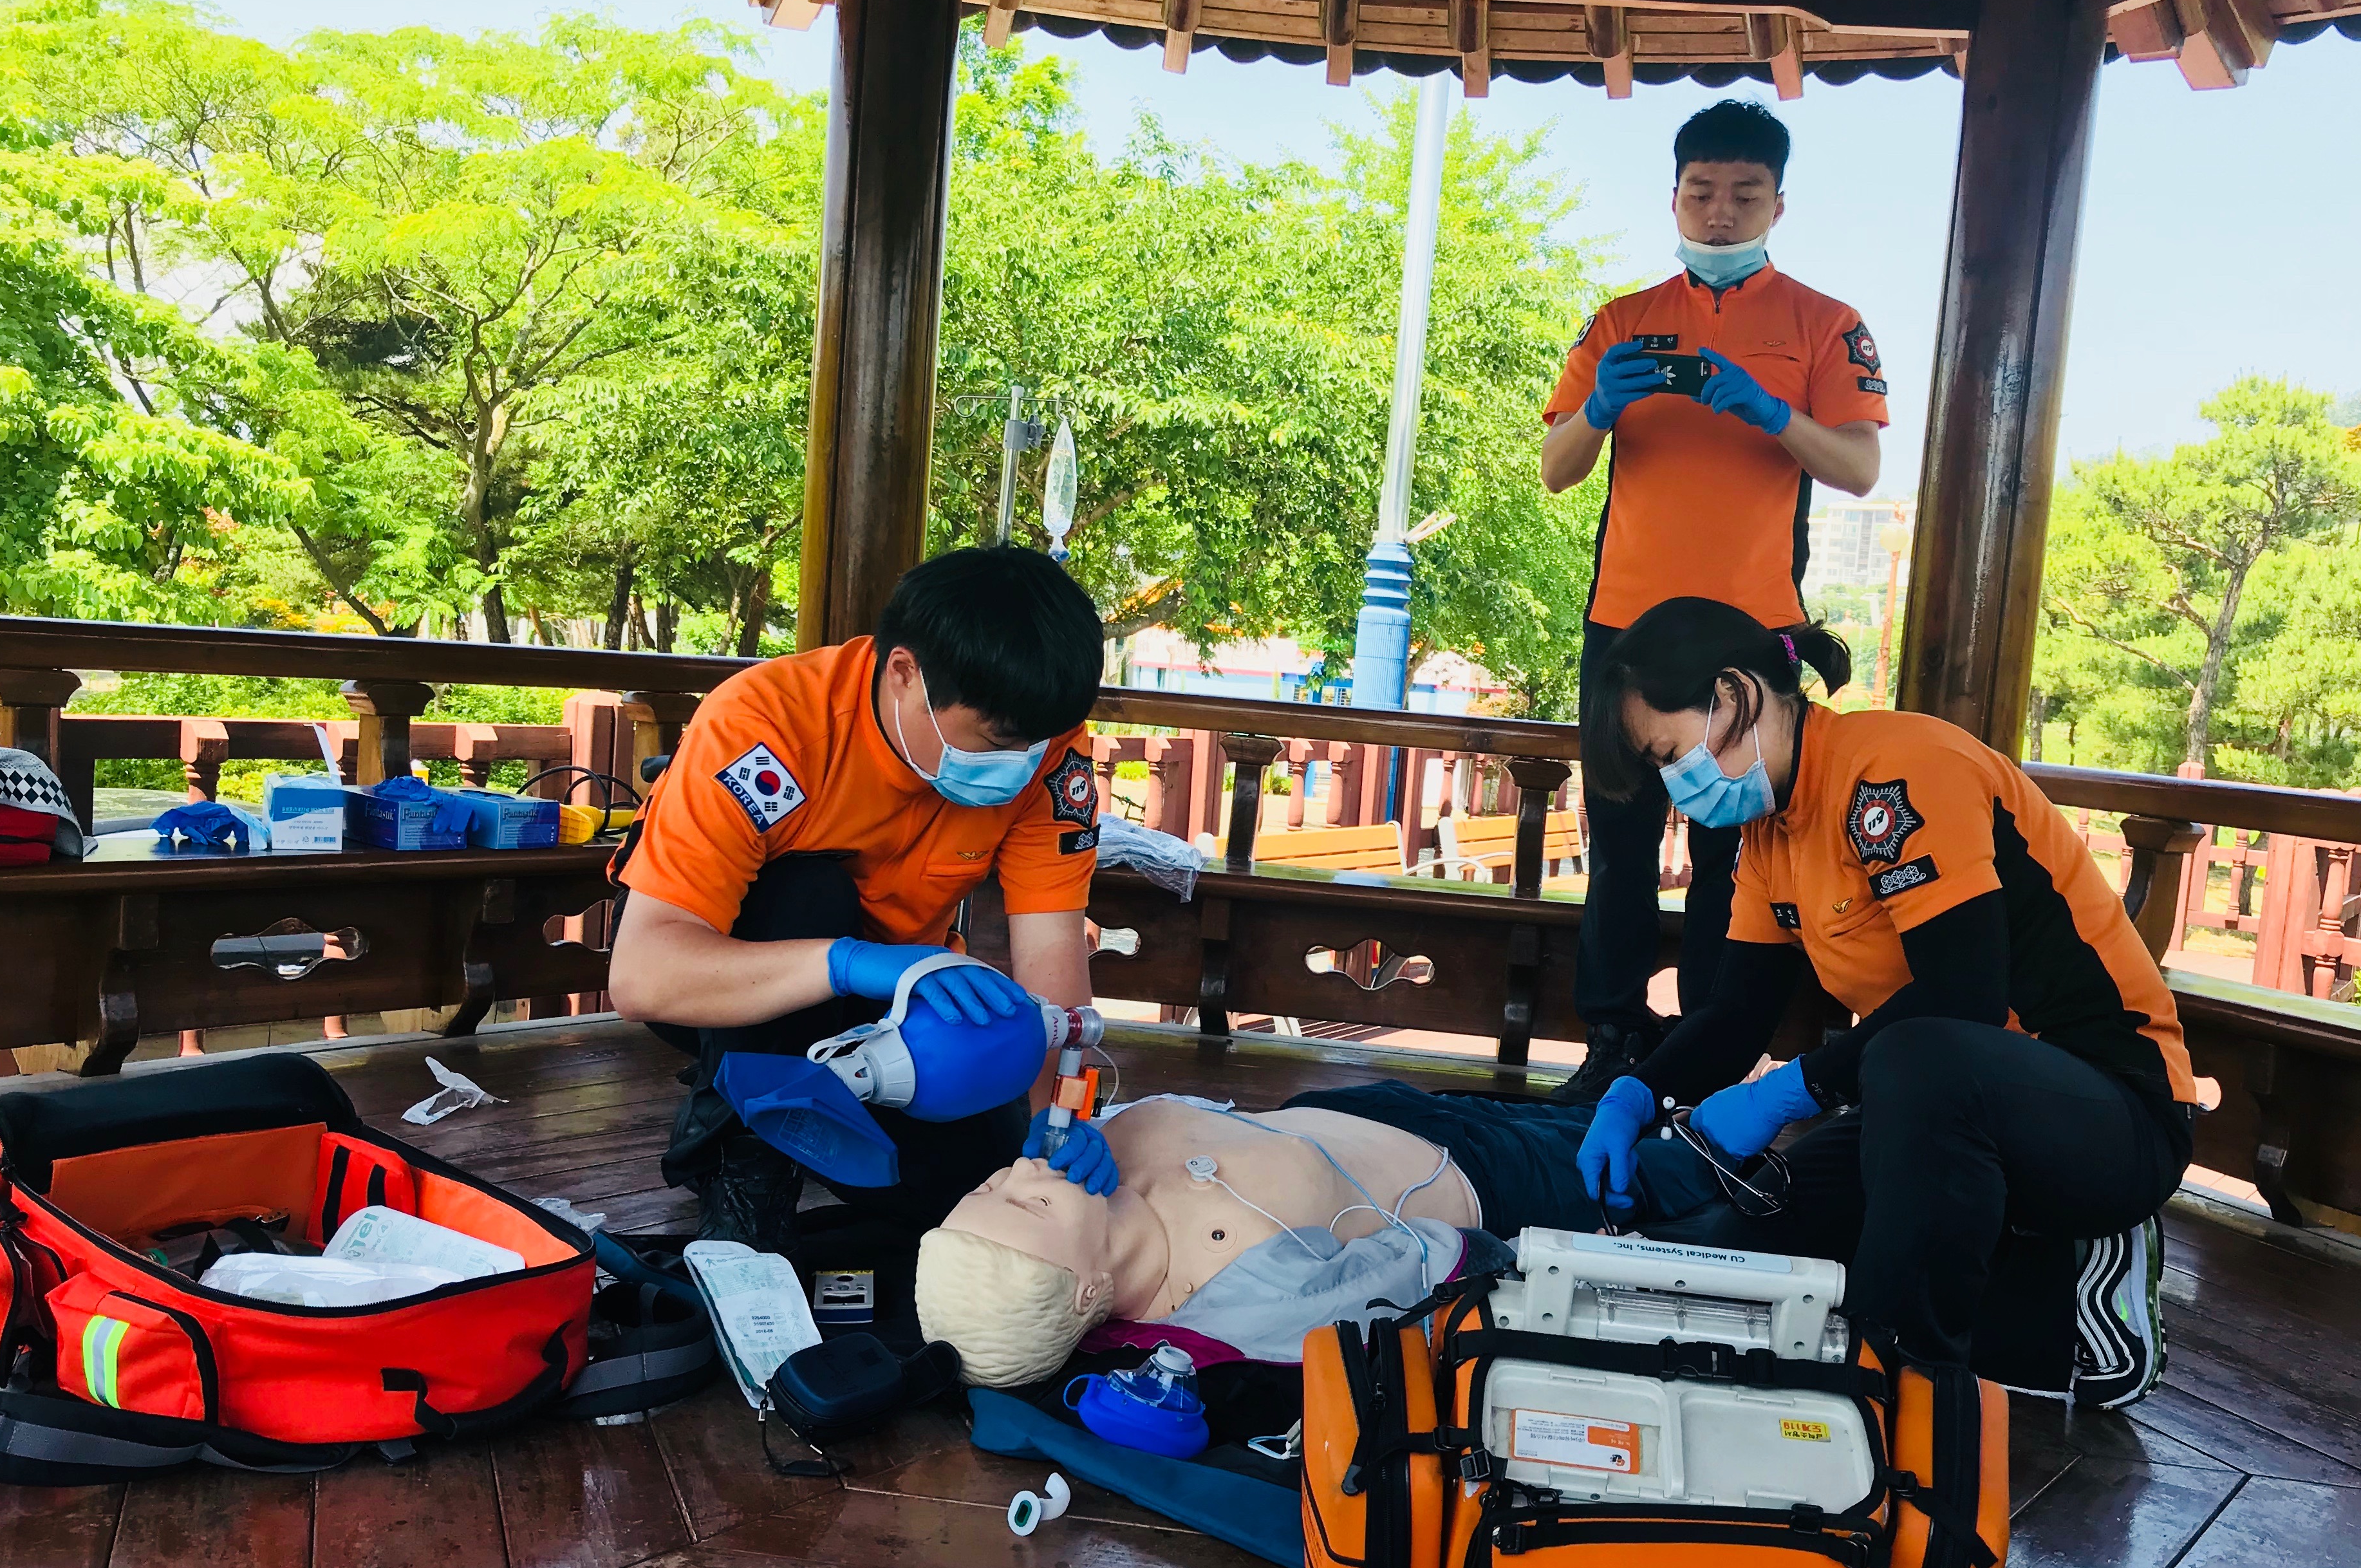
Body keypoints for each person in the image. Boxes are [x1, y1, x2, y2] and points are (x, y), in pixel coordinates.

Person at [1570, 597, 2198, 1406]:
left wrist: (1788, 1091)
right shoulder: (1766, 834)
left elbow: (1963, 994)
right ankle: (2061, 1294)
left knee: (1914, 1059)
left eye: (1669, 754)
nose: (1674, 785)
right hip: (1942, 1110)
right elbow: (1736, 1015)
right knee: (1762, 1236)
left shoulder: (1897, 769)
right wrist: (1635, 1095)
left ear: (1733, 694)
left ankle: (1906, 1394)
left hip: (2113, 1110)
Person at [604, 545, 1121, 1252]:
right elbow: (644, 978)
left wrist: (1066, 1121)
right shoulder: (765, 727)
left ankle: (799, 1093)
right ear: (905, 672)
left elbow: (1053, 959)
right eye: (997, 740)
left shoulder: (1047, 750)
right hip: (732, 980)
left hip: (903, 1003)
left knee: (976, 1192)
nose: (1022, 762)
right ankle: (744, 1164)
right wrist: (850, 963)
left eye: (1038, 742)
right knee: (806, 889)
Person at [1540, 101, 1890, 1103]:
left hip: (1754, 631)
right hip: (1626, 625)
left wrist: (1773, 411)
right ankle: (1612, 1040)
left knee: (1734, 851)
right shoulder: (1621, 320)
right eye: (1702, 192)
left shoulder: (1828, 324)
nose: (1721, 211)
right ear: (1675, 198)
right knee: (1618, 844)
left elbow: (1860, 468)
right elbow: (1557, 468)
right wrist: (1601, 408)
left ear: (1779, 203)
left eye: (1744, 193)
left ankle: (1704, 1055)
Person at [915, 1085, 1759, 1388]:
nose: (1021, 1174)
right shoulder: (1234, 1306)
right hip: (1484, 1183)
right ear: (1088, 1293)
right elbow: (1436, 1265)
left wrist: (1090, 1120)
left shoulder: (1088, 1164)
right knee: (1705, 1160)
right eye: (1026, 1207)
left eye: (991, 1184)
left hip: (1379, 1111)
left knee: (1630, 1110)